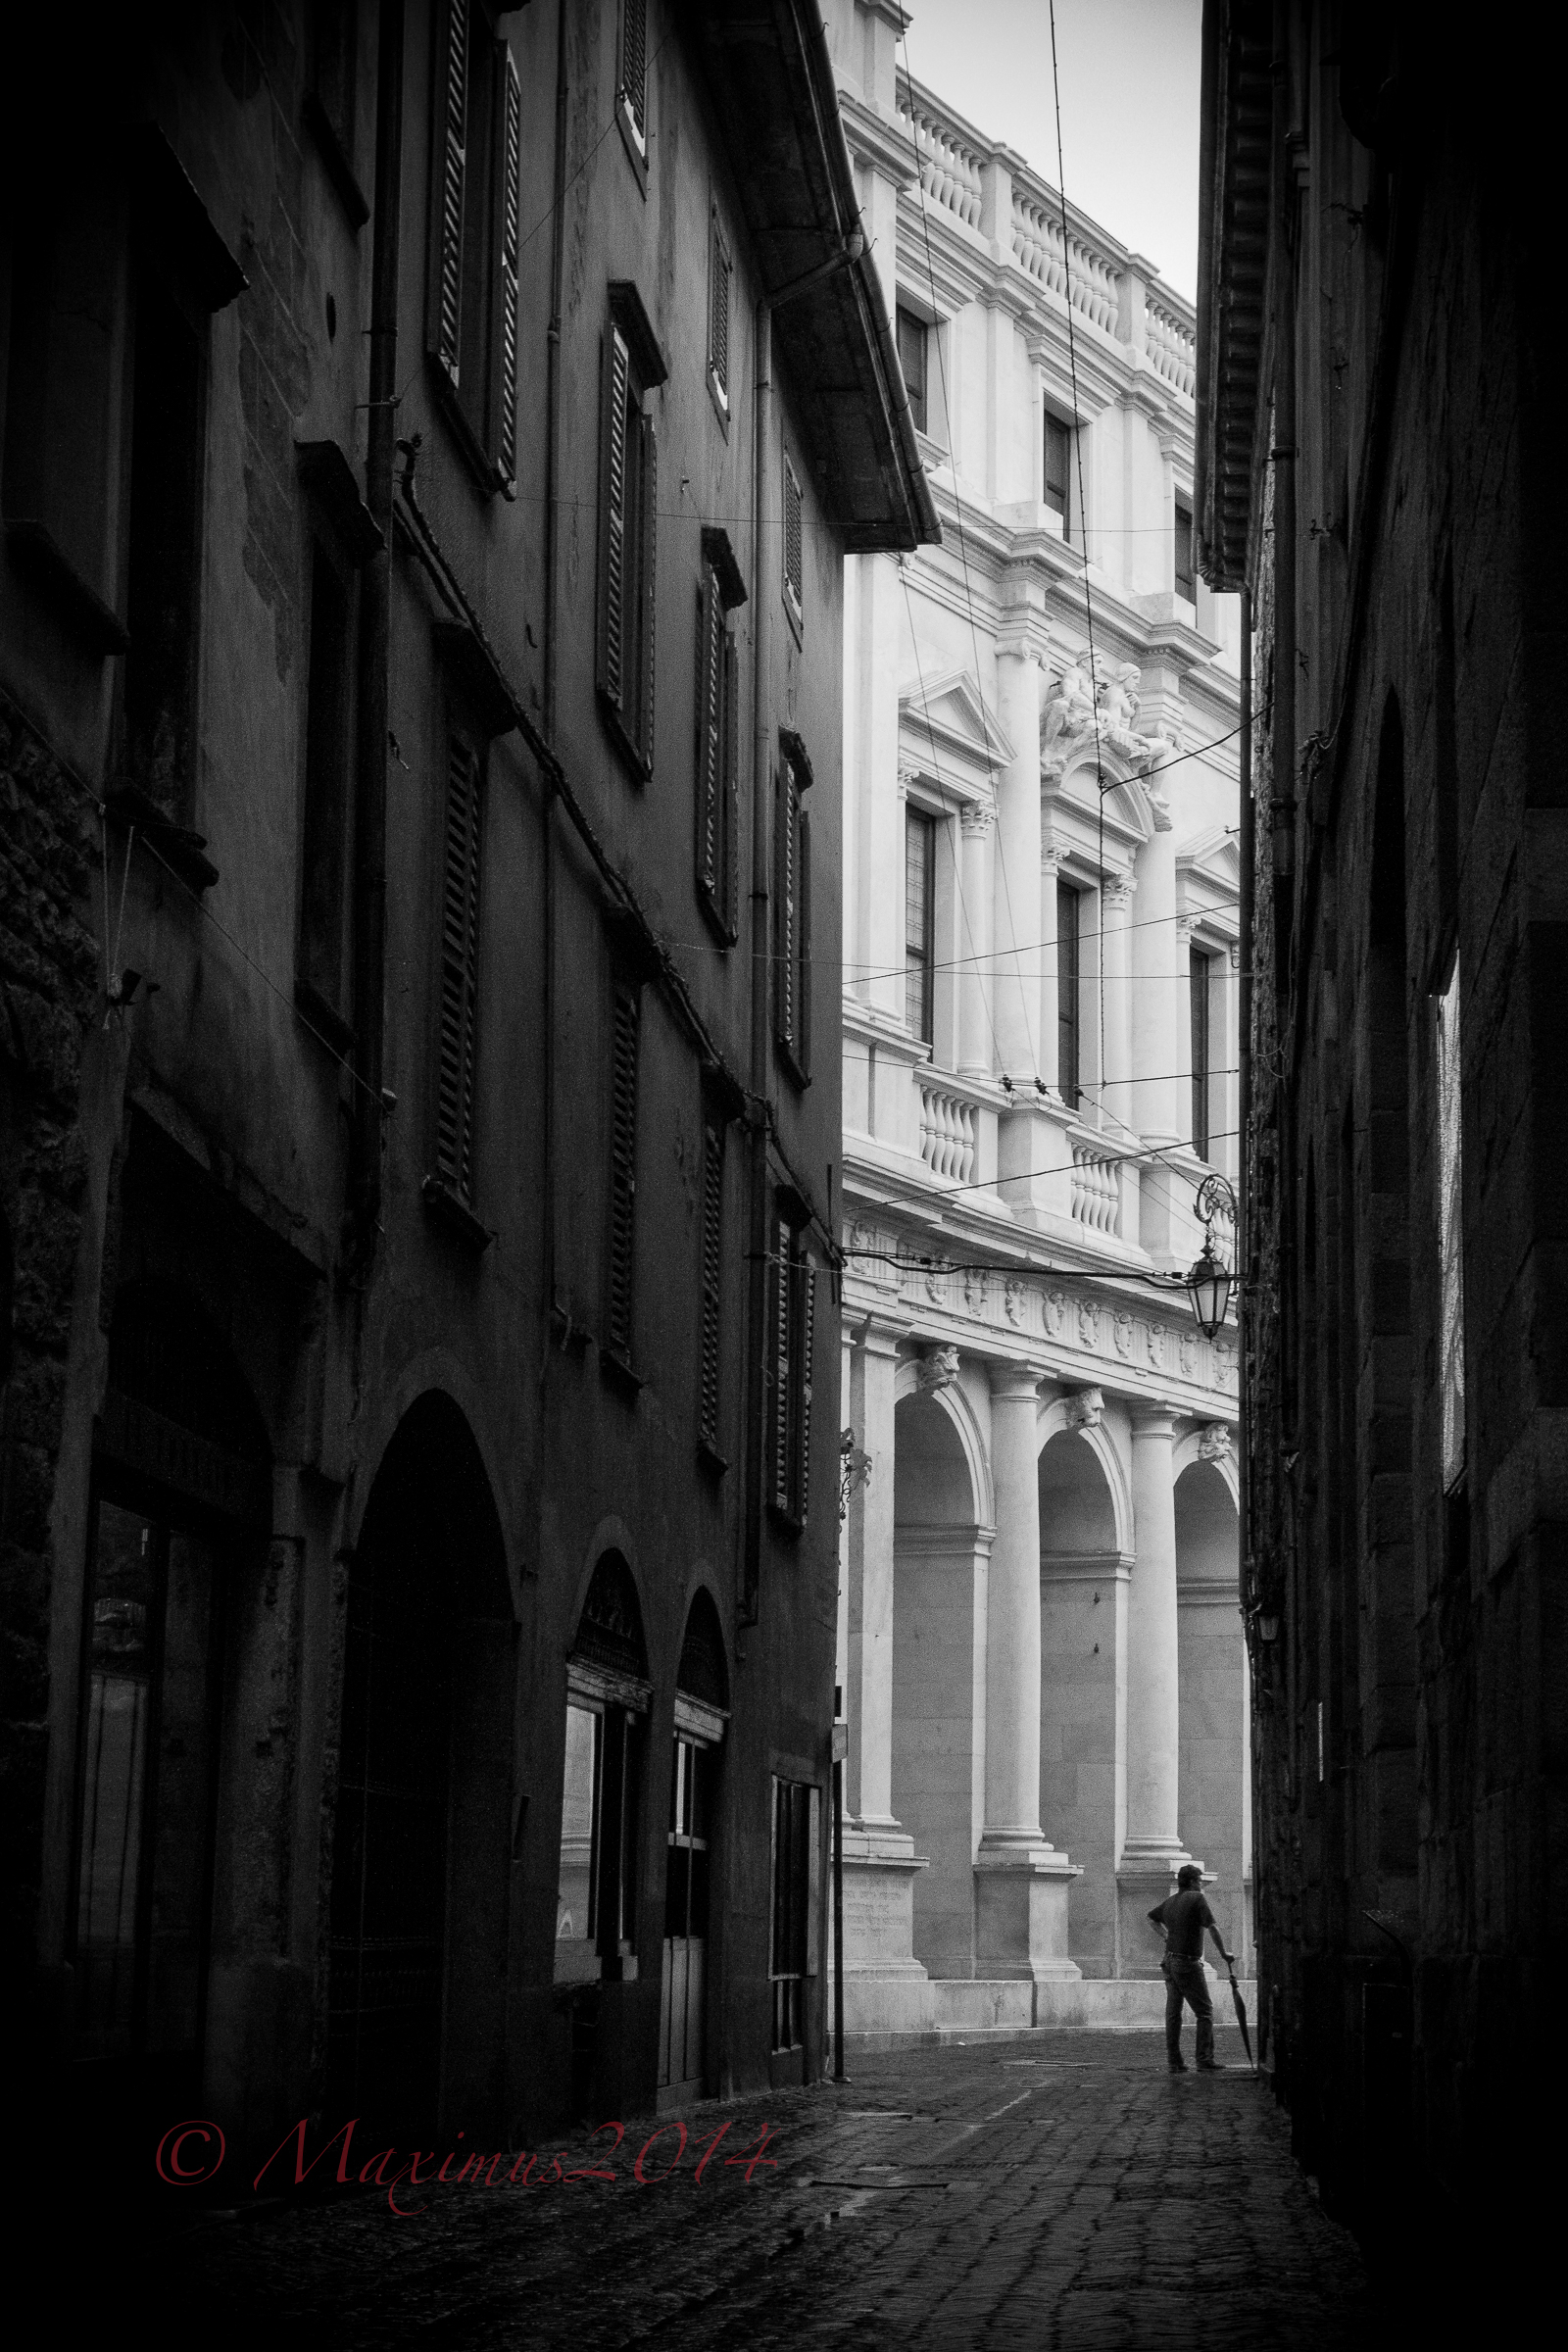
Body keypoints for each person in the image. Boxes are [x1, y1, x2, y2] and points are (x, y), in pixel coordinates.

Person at [1149, 1864, 1235, 2072]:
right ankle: (1204, 2059)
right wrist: (1224, 1954)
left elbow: (1151, 1918)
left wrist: (1166, 1936)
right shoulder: (1197, 1899)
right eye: (1199, 1880)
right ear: (1192, 1882)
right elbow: (1212, 1927)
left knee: (1173, 2013)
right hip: (1187, 1962)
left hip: (1169, 1961)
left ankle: (1175, 2062)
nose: (1201, 1884)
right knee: (1204, 2011)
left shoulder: (1171, 1901)